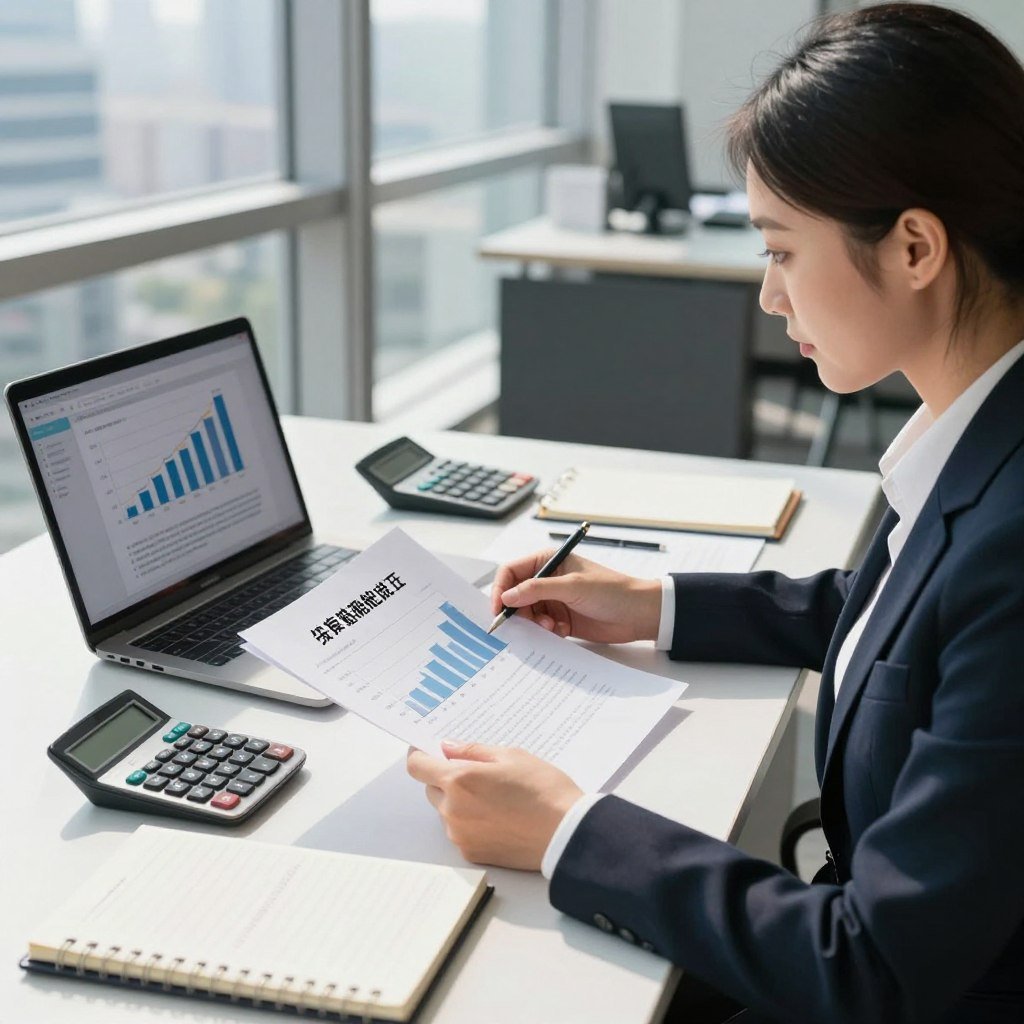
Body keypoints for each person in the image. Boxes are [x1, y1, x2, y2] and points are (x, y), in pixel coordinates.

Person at [407, 5, 1024, 1021]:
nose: (769, 299)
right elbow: (910, 625)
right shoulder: (985, 443)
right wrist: (653, 602)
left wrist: (566, 828)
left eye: (780, 252)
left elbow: (874, 969)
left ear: (914, 246)